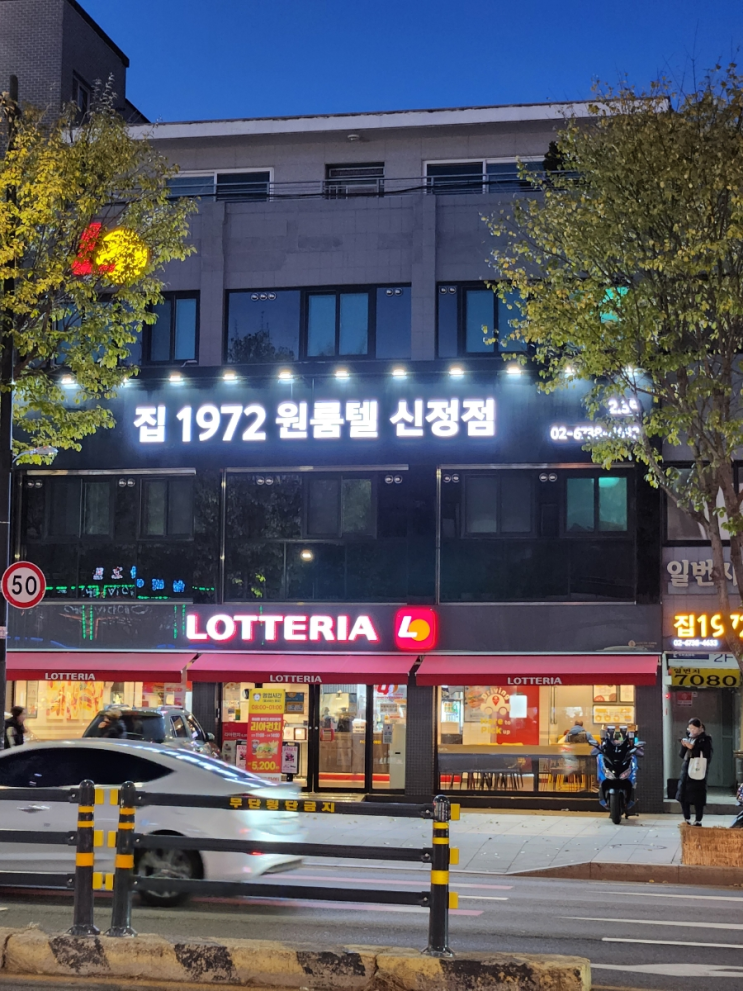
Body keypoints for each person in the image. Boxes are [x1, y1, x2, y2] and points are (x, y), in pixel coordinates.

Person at [676, 717, 713, 825]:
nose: (692, 731)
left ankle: (698, 820)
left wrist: (693, 747)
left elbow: (707, 755)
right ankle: (687, 818)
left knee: (698, 798)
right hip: (686, 771)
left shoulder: (705, 740)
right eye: (690, 729)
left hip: (698, 771)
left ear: (700, 728)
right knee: (683, 796)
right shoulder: (689, 738)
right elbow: (682, 755)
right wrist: (684, 745)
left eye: (694, 729)